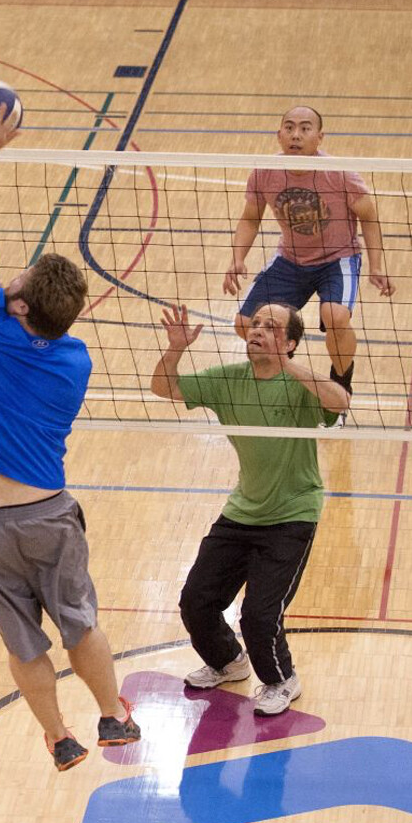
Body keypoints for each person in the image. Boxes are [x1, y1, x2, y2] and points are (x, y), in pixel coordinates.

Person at [0, 104, 139, 771]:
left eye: (14, 281)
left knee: (24, 643)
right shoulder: (73, 359)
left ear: (17, 305)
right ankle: (112, 716)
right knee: (81, 623)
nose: (8, 277)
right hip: (48, 516)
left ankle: (60, 737)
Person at [150, 302, 350, 715]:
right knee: (196, 600)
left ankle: (282, 680)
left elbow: (340, 401)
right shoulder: (227, 380)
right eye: (255, 324)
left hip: (294, 513)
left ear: (291, 342)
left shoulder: (300, 385)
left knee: (258, 613)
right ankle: (228, 662)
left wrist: (286, 365)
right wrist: (175, 349)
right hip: (243, 511)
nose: (257, 330)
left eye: (271, 327)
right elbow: (163, 388)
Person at [225, 105, 393, 424]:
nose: (296, 135)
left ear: (319, 137)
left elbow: (369, 217)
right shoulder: (265, 172)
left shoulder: (339, 173)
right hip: (291, 258)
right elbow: (250, 217)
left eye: (304, 128)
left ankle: (340, 388)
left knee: (335, 316)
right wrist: (237, 258)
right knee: (244, 323)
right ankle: (285, 377)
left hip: (337, 258)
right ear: (279, 135)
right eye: (289, 127)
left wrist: (376, 265)